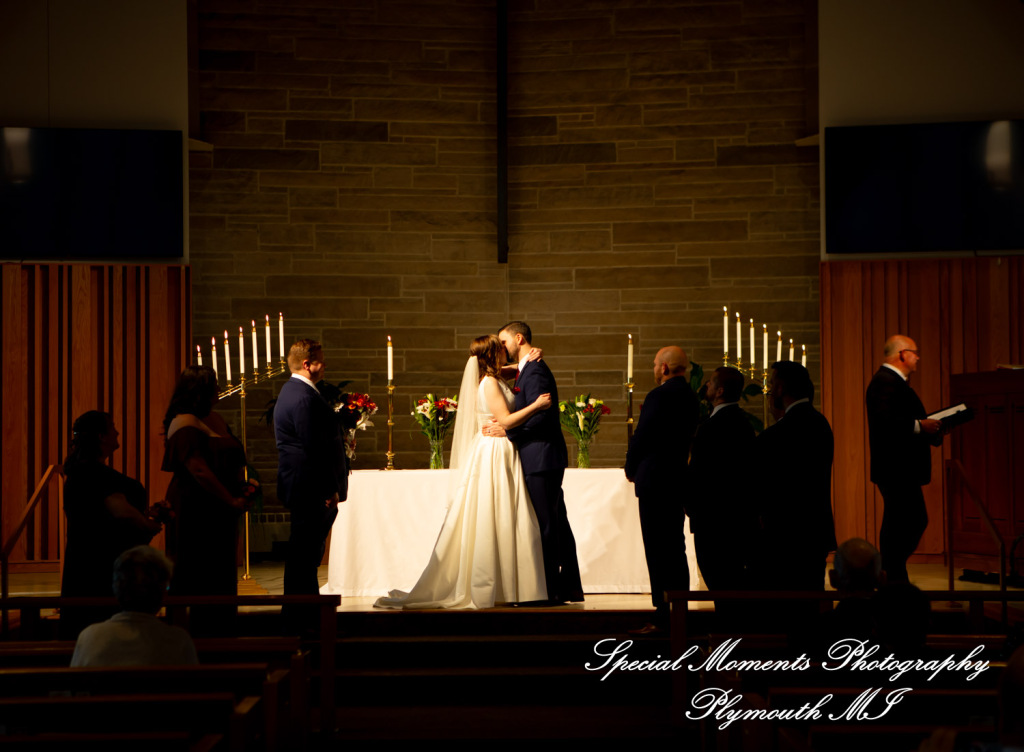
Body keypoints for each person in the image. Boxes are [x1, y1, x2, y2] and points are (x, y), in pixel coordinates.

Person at [375, 334, 549, 608]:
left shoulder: (494, 376)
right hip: (494, 449)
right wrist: (536, 405)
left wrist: (524, 362)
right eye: (501, 348)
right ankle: (493, 584)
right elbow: (505, 419)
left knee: (505, 514)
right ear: (494, 354)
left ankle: (510, 585)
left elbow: (512, 372)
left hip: (499, 448)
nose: (506, 351)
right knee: (496, 513)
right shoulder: (490, 383)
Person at [483, 321, 584, 605]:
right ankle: (569, 585)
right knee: (557, 521)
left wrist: (508, 430)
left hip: (541, 455)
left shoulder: (535, 369)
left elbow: (542, 415)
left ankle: (550, 589)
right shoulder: (528, 367)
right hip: (541, 454)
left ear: (518, 338)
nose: (501, 348)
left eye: (504, 342)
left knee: (546, 523)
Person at [162, 366, 252, 633]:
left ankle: (221, 628)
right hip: (196, 507)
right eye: (214, 385)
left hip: (220, 508)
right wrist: (230, 499)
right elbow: (198, 468)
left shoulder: (215, 418)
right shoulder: (183, 422)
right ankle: (189, 633)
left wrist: (243, 490)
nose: (218, 390)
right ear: (199, 391)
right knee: (194, 567)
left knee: (220, 569)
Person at [60, 411, 163, 638]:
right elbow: (121, 511)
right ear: (101, 436)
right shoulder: (92, 473)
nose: (117, 432)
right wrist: (147, 524)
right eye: (112, 427)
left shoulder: (82, 472)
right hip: (100, 567)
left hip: (86, 563)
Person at [624, 346, 699, 634]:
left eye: (656, 365)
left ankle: (662, 614)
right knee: (674, 547)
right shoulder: (691, 398)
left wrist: (631, 467)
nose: (654, 369)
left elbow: (642, 437)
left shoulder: (660, 395)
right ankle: (678, 609)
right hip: (677, 477)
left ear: (665, 368)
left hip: (654, 480)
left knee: (657, 549)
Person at [274, 339, 348, 622]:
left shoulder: (294, 391)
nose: (325, 364)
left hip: (303, 483)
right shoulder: (303, 397)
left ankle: (303, 613)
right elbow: (313, 447)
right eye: (320, 360)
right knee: (304, 555)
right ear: (307, 365)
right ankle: (301, 617)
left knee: (305, 554)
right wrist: (329, 488)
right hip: (308, 485)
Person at [866, 334, 944, 583]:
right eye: (914, 352)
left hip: (899, 469)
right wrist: (922, 426)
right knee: (908, 521)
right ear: (901, 354)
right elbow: (884, 422)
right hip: (896, 469)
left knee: (903, 521)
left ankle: (892, 573)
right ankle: (890, 572)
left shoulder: (893, 383)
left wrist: (933, 428)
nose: (918, 357)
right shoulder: (884, 382)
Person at [756, 361, 837, 592]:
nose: (770, 389)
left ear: (781, 388)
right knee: (811, 596)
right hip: (814, 529)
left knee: (786, 602)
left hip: (784, 534)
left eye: (772, 383)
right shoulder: (821, 423)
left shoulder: (778, 433)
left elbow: (765, 484)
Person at [687, 366, 756, 624]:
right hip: (739, 520)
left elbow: (699, 474)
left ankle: (729, 641)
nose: (705, 385)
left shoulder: (711, 427)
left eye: (710, 383)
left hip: (713, 521)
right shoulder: (744, 425)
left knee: (721, 584)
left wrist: (690, 506)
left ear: (720, 391)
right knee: (732, 583)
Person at [71, 545, 197, 667]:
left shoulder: (90, 637)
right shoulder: (179, 641)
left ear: (117, 588)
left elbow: (73, 685)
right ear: (163, 593)